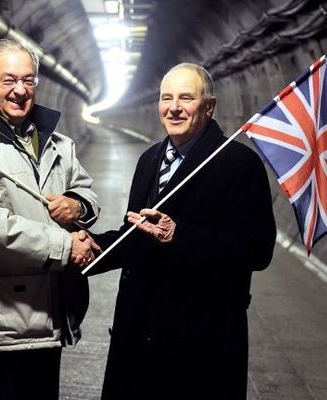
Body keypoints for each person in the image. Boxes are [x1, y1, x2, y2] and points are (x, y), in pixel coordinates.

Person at [87, 63, 276, 399]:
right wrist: (90, 247)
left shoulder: (238, 164)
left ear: (209, 106)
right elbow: (137, 235)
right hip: (137, 335)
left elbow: (257, 248)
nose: (173, 107)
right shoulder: (150, 159)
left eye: (186, 98)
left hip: (199, 344)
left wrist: (180, 236)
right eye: (166, 98)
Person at [0, 39, 100, 400]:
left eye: (29, 80)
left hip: (51, 314)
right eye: (9, 80)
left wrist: (76, 206)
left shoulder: (56, 142)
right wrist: (67, 245)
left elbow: (87, 190)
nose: (21, 90)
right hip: (4, 320)